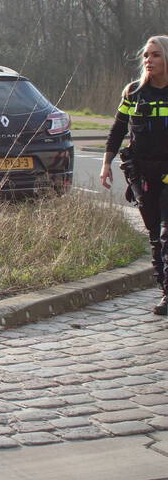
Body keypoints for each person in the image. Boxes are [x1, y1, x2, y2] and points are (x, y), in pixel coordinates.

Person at [101, 35, 168, 316]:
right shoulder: (133, 92)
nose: (148, 60)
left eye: (156, 55)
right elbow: (118, 129)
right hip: (142, 173)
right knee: (154, 234)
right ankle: (164, 289)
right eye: (146, 55)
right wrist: (106, 163)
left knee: (166, 233)